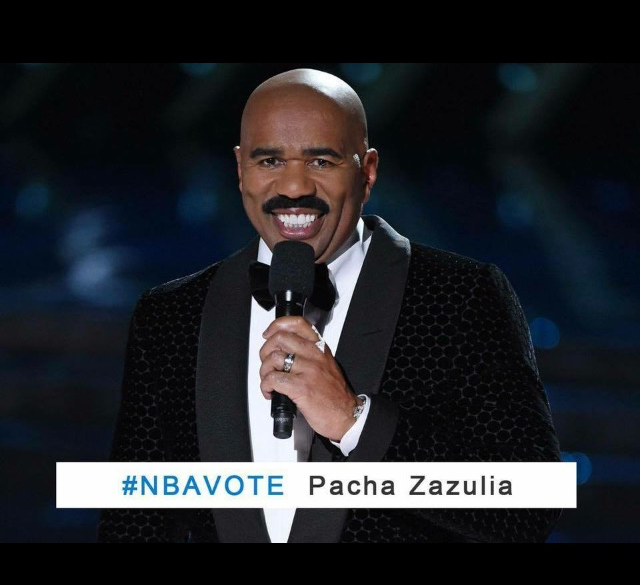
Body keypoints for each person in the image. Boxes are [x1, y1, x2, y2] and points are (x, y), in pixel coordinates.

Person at [97, 68, 563, 543]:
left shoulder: (459, 297)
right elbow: (133, 523)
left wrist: (354, 420)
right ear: (240, 169)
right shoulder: (171, 316)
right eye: (270, 160)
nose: (293, 187)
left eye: (321, 161)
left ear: (368, 170)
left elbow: (530, 505)